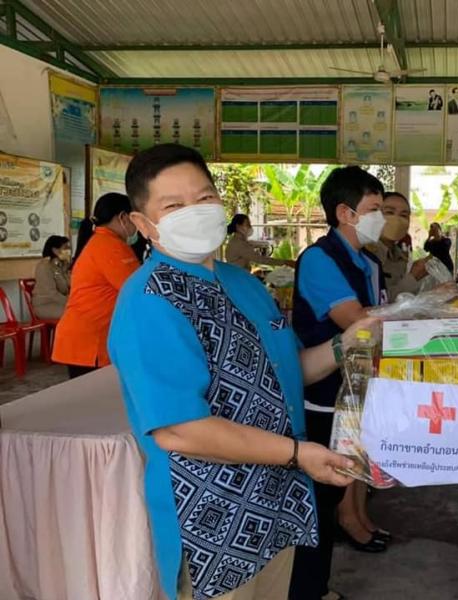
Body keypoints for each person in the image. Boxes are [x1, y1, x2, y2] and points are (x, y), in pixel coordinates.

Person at [110, 143, 375, 600]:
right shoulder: (149, 301)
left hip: (276, 503)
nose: (194, 212)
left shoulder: (243, 284)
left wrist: (348, 341)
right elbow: (180, 430)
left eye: (204, 197)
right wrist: (299, 453)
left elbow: (288, 373)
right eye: (173, 206)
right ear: (143, 223)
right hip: (211, 520)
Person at [291, 166, 390, 600]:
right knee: (316, 501)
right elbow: (357, 322)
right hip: (322, 394)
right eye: (375, 209)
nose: (381, 218)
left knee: (338, 487)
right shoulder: (319, 259)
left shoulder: (368, 260)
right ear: (345, 213)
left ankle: (317, 586)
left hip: (355, 388)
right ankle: (310, 589)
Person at [52, 193, 140, 379]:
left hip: (86, 337)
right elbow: (139, 290)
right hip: (89, 340)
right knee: (94, 396)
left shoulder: (102, 242)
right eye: (136, 218)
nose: (138, 225)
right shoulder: (111, 247)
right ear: (123, 217)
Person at [369, 191, 429, 301]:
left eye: (404, 215)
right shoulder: (366, 254)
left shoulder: (400, 256)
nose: (397, 220)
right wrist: (413, 277)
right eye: (389, 212)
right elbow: (377, 303)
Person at [225, 213, 294, 271]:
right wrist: (285, 262)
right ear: (238, 227)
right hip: (239, 277)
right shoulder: (239, 244)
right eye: (247, 225)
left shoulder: (237, 241)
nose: (250, 227)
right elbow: (260, 259)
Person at [32, 235, 71, 319]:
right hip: (45, 305)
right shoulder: (44, 266)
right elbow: (51, 294)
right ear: (55, 250)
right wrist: (71, 302)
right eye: (65, 248)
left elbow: (69, 285)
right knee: (75, 314)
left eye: (69, 248)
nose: (69, 251)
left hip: (60, 302)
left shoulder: (62, 266)